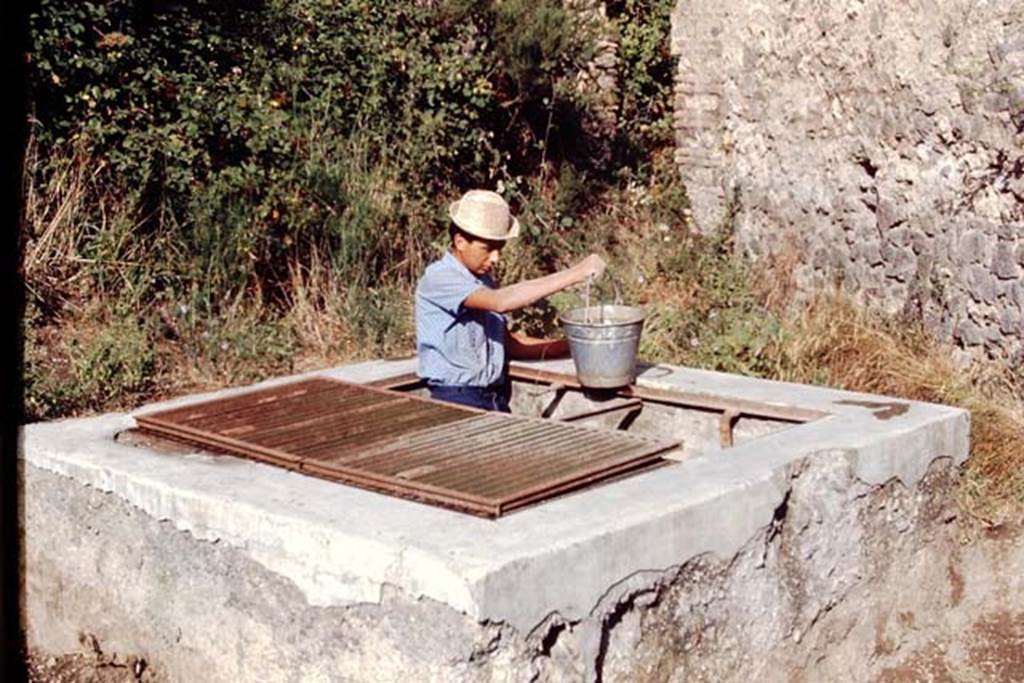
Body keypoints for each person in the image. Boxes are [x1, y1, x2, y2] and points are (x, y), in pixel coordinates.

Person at [415, 189, 606, 412]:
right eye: (487, 249)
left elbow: (510, 345)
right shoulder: (440, 278)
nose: (495, 258)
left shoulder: (482, 281)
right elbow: (500, 301)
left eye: (499, 249)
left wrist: (576, 346)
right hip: (457, 398)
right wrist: (576, 273)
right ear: (460, 241)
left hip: (495, 397)